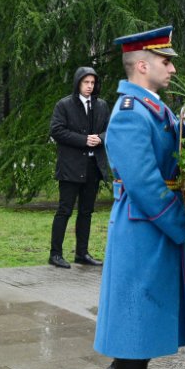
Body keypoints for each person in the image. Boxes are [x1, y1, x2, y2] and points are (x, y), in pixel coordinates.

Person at [93, 26, 185, 369]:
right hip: (143, 232)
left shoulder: (155, 109)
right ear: (141, 65)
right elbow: (144, 183)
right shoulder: (129, 112)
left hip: (152, 232)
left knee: (139, 338)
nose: (171, 68)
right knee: (133, 336)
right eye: (164, 61)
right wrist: (181, 226)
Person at [48, 67, 110, 269]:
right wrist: (84, 140)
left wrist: (99, 138)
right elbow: (56, 131)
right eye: (86, 82)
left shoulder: (101, 105)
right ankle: (55, 254)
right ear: (78, 83)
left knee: (86, 212)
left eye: (92, 83)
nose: (89, 87)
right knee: (64, 210)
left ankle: (82, 253)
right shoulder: (64, 105)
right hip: (70, 167)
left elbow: (110, 131)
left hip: (93, 167)